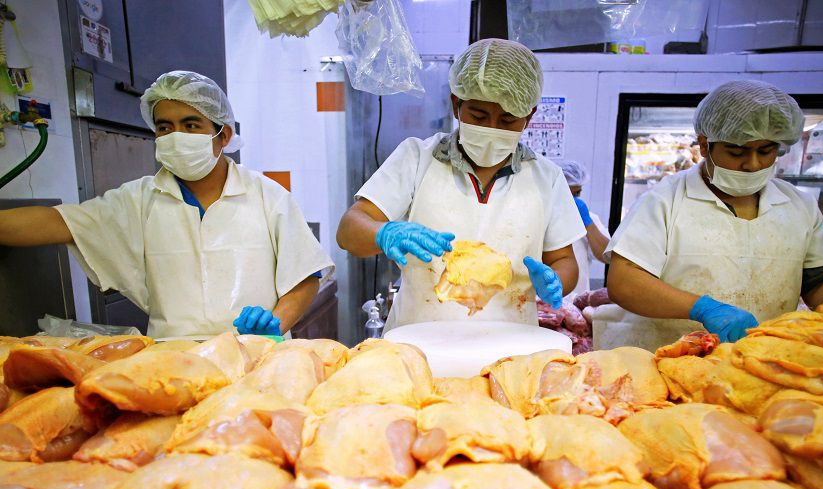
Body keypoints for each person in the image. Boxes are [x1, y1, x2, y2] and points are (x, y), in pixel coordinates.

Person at [0, 71, 333, 338]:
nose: (176, 136)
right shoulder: (138, 200)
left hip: (257, 358)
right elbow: (57, 222)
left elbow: (304, 277)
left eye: (190, 125)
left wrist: (274, 326)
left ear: (223, 135)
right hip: (175, 362)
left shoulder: (268, 196)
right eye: (164, 127)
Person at [336, 39, 585, 330]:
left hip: (510, 347)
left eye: (507, 120)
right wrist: (385, 233)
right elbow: (349, 230)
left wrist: (555, 282)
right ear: (456, 104)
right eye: (479, 116)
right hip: (420, 342)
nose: (492, 129)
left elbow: (565, 260)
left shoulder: (547, 178)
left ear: (528, 117)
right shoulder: (417, 158)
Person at [604, 79, 823, 350]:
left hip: (765, 357)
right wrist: (702, 309)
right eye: (737, 151)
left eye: (766, 151)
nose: (752, 164)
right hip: (675, 356)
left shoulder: (799, 206)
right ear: (705, 146)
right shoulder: (664, 201)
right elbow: (625, 282)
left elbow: (821, 279)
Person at [553, 159, 610, 300]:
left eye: (577, 193)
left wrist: (587, 223)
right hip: (541, 303)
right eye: (566, 194)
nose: (572, 199)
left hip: (575, 304)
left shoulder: (589, 219)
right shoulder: (542, 217)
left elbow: (607, 256)